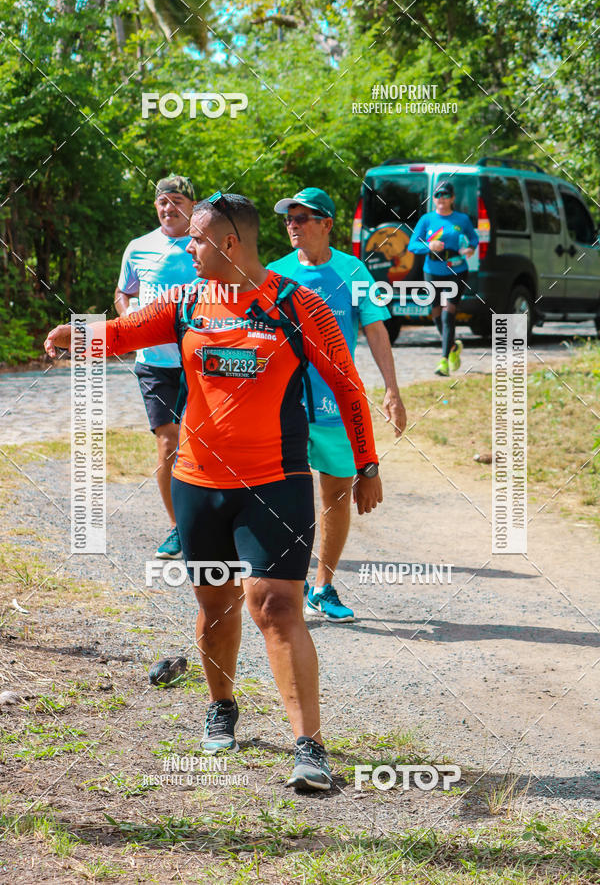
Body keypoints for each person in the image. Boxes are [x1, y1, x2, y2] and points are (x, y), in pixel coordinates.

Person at [45, 193, 383, 792]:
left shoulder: (295, 304)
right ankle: (222, 706)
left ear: (230, 243)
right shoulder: (185, 301)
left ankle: (309, 746)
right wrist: (77, 335)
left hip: (276, 482)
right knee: (216, 604)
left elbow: (349, 388)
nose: (185, 248)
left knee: (277, 605)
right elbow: (124, 332)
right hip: (199, 482)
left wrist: (367, 466)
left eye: (195, 239)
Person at [268, 188, 406, 623]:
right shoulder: (275, 273)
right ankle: (287, 583)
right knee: (282, 496)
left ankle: (322, 587)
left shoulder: (354, 271)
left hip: (335, 407)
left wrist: (392, 390)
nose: (293, 224)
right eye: (290, 218)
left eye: (304, 218)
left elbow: (376, 330)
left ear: (327, 225)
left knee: (336, 495)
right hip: (285, 406)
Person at [114, 174, 196, 559]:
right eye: (163, 201)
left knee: (206, 445)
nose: (169, 208)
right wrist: (129, 317)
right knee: (169, 442)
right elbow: (123, 292)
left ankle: (213, 521)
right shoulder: (139, 247)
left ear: (192, 205)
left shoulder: (206, 244)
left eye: (176, 200)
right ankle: (178, 527)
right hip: (154, 363)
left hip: (200, 360)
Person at [407, 181, 479, 377]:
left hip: (456, 271)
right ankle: (453, 346)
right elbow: (412, 246)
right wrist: (428, 247)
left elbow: (473, 238)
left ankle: (443, 361)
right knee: (436, 313)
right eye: (438, 195)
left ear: (452, 198)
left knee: (448, 313)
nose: (441, 199)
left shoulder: (462, 219)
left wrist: (470, 249)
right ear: (434, 198)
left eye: (446, 195)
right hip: (431, 270)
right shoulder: (426, 220)